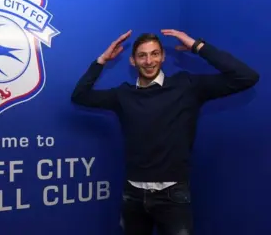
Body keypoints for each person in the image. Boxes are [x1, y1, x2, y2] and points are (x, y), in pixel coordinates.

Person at [70, 29, 259, 235]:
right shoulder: (122, 95)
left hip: (173, 197)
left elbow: (246, 77)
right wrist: (102, 60)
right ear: (133, 61)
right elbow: (80, 96)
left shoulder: (186, 86)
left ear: (163, 57)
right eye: (142, 55)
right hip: (133, 195)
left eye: (154, 54)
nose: (149, 61)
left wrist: (198, 46)